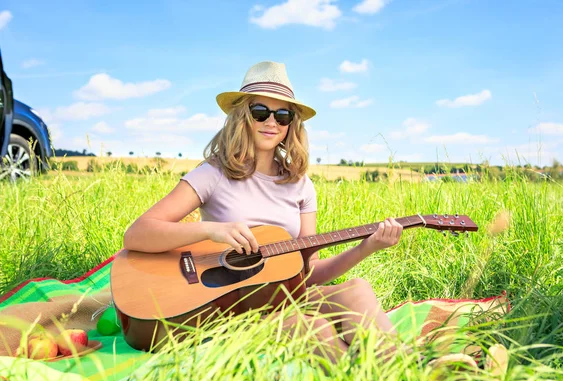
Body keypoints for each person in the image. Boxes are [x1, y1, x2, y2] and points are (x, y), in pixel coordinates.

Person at [123, 61, 404, 362]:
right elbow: (137, 234)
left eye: (283, 115)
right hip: (231, 306)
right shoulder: (213, 174)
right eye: (260, 112)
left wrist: (367, 247)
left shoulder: (301, 185)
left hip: (283, 297)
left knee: (357, 290)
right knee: (313, 327)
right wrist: (212, 230)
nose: (272, 122)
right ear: (242, 116)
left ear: (291, 124)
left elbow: (309, 273)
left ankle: (413, 372)